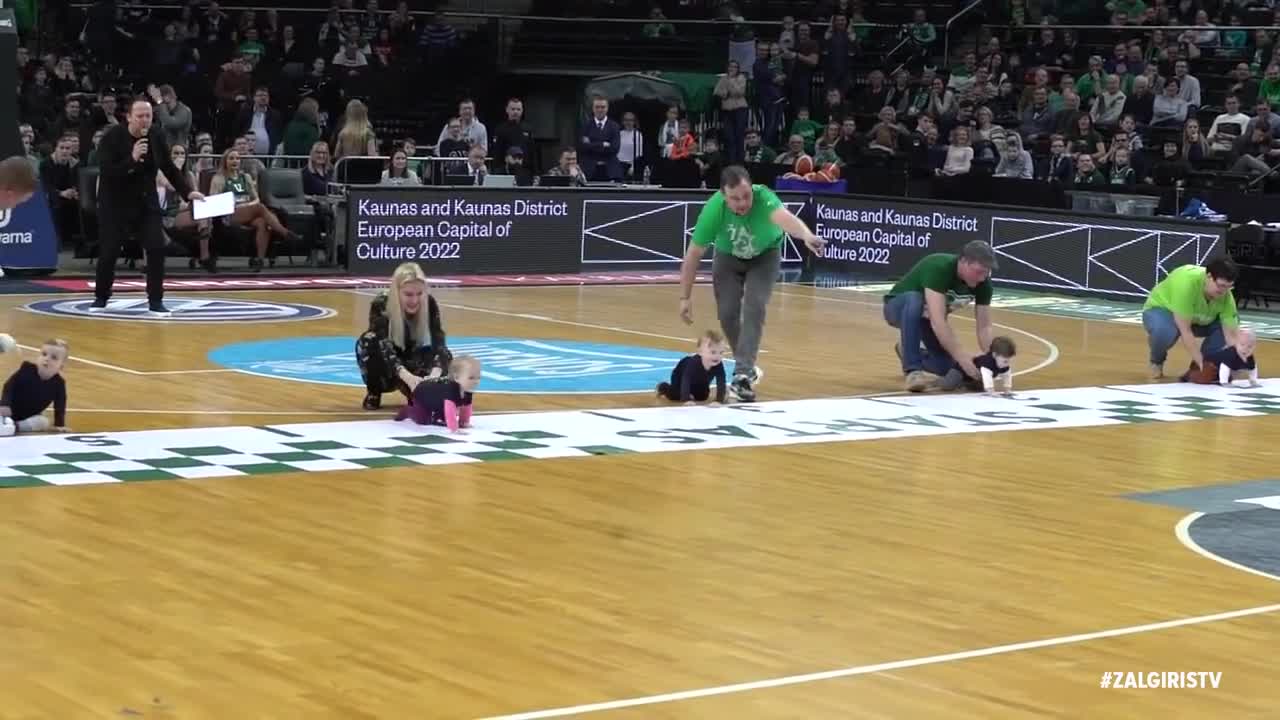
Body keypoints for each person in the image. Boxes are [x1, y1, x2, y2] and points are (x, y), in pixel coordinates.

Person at [678, 166, 826, 401]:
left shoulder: (764, 198)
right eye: (735, 198)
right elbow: (693, 254)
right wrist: (685, 297)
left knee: (755, 306)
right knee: (727, 313)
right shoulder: (713, 210)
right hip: (728, 258)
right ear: (724, 196)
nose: (742, 202)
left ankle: (743, 375)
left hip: (765, 256)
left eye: (746, 196)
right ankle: (745, 367)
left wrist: (807, 235)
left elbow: (787, 220)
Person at [94, 97, 204, 315]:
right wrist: (132, 159)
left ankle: (155, 300)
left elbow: (169, 168)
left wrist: (187, 191)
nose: (145, 120)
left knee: (156, 248)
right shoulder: (112, 137)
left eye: (148, 116)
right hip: (115, 204)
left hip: (146, 202)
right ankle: (101, 297)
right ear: (129, 118)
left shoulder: (156, 134)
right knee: (109, 252)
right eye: (140, 116)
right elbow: (108, 173)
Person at [882, 241, 998, 392]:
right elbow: (938, 322)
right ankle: (913, 370)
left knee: (947, 367)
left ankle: (906, 350)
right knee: (914, 298)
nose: (982, 278)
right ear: (963, 261)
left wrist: (992, 358)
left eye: (986, 272)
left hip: (927, 319)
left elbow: (984, 326)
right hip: (898, 308)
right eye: (978, 272)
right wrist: (962, 358)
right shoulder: (939, 267)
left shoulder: (984, 284)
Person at [355, 262, 451, 410]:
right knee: (369, 340)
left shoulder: (430, 304)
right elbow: (381, 343)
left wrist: (435, 373)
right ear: (397, 291)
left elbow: (439, 342)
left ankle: (420, 393)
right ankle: (374, 392)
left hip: (414, 361)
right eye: (408, 294)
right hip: (389, 369)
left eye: (419, 294)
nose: (414, 300)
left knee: (445, 355)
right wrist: (407, 377)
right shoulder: (382, 304)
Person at [1142, 257, 1239, 379]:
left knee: (1229, 326)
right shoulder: (1186, 284)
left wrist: (1237, 361)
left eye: (1228, 287)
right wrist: (1201, 362)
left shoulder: (1226, 296)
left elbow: (1231, 336)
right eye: (1221, 286)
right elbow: (1185, 331)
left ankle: (1202, 364)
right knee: (1164, 332)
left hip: (1198, 319)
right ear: (1209, 276)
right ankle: (1156, 360)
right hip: (1164, 310)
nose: (1224, 291)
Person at [0, 339, 70, 436]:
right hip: (7, 410)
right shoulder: (27, 369)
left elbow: (60, 405)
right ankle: (5, 424)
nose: (47, 359)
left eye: (54, 357)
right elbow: (8, 386)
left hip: (28, 417)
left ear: (61, 366)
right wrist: (5, 404)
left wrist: (60, 424)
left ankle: (15, 426)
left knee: (44, 422)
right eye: (44, 354)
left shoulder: (59, 384)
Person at [395, 355, 482, 432]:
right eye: (471, 378)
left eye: (478, 378)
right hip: (421, 394)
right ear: (456, 378)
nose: (476, 381)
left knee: (442, 418)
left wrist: (463, 422)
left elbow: (466, 408)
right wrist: (454, 428)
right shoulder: (450, 390)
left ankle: (436, 415)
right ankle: (407, 411)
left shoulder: (467, 390)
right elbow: (450, 412)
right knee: (423, 420)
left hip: (437, 402)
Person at [656, 330, 728, 405]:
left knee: (702, 397)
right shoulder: (693, 363)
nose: (717, 356)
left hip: (699, 380)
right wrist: (686, 399)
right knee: (676, 395)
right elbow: (686, 379)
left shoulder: (718, 364)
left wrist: (719, 400)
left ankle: (692, 393)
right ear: (700, 352)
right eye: (713, 352)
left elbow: (721, 381)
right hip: (680, 377)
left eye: (721, 352)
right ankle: (663, 387)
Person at [939, 336, 1017, 395]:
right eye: (1005, 361)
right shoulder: (987, 363)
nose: (1008, 364)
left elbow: (1007, 375)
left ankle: (964, 383)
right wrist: (991, 391)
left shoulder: (1004, 364)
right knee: (947, 385)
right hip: (961, 370)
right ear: (995, 355)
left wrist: (1007, 389)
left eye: (1009, 360)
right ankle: (936, 382)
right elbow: (987, 377)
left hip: (975, 378)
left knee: (979, 388)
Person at [1180, 328, 1259, 386]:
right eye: (1242, 345)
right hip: (1207, 362)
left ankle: (1217, 378)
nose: (1245, 349)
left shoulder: (1249, 357)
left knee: (1225, 376)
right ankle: (1189, 375)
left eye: (1250, 347)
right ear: (1236, 344)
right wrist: (1224, 382)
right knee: (1205, 376)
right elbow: (1225, 367)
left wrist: (1253, 381)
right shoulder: (1231, 353)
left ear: (1254, 347)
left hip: (1218, 369)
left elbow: (1252, 368)